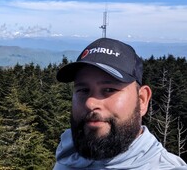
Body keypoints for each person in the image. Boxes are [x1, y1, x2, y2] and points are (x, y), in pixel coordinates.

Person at [53, 37, 187, 170]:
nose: (90, 103)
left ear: (142, 100)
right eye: (83, 90)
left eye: (109, 90)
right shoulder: (67, 157)